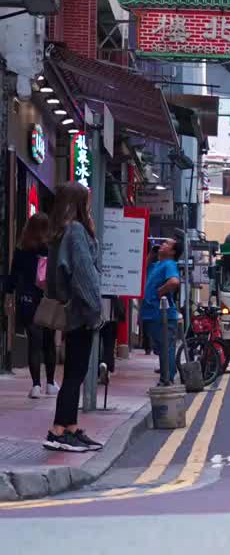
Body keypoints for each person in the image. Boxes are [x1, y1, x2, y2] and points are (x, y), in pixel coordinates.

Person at [45, 183, 103, 453]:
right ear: (79, 202)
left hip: (72, 310)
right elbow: (84, 275)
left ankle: (70, 427)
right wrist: (95, 311)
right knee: (74, 373)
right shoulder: (76, 231)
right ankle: (58, 430)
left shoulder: (60, 231)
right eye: (87, 200)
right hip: (81, 313)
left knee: (74, 372)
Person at [10, 212, 58, 399]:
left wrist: (8, 291)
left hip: (28, 300)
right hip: (48, 299)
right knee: (49, 343)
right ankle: (51, 383)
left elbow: (14, 276)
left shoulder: (22, 250)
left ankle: (36, 385)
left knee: (34, 344)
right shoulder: (51, 249)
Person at [142, 237, 183, 385]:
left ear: (172, 252)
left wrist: (160, 291)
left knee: (166, 348)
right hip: (152, 315)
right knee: (161, 349)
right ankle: (166, 378)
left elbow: (174, 281)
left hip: (163, 315)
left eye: (166, 244)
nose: (162, 244)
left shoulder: (169, 264)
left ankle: (167, 380)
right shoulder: (157, 264)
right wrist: (151, 255)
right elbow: (142, 272)